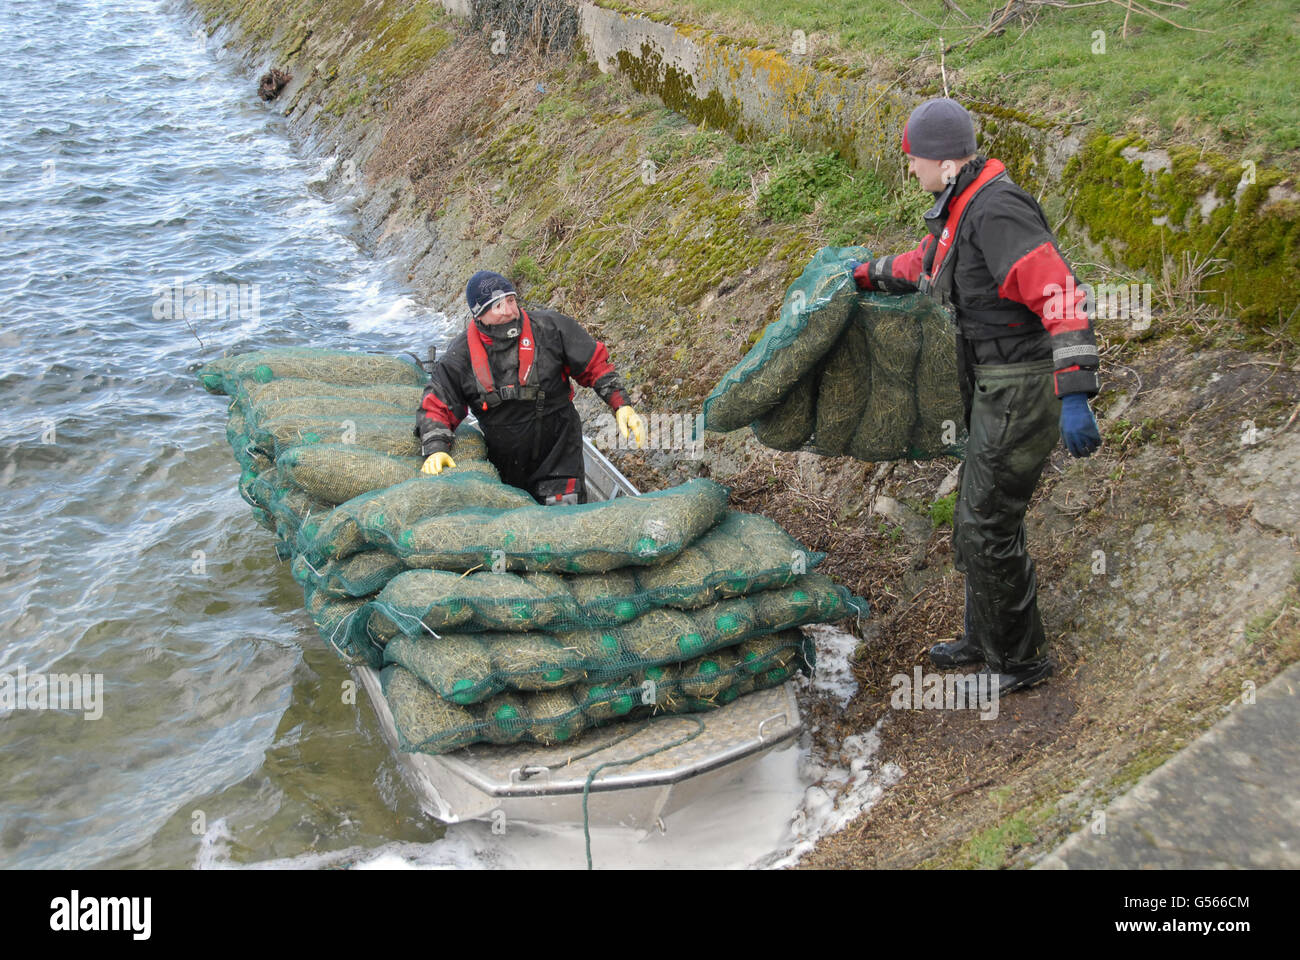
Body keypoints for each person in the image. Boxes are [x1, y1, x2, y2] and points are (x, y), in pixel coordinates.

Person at [849, 98, 1102, 696]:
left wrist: (1076, 392)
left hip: (1022, 387)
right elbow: (926, 264)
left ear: (941, 159)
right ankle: (983, 637)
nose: (909, 170)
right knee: (973, 519)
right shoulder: (960, 206)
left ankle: (1020, 660)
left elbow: (1060, 294)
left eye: (912, 159)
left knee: (989, 524)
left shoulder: (998, 211)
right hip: (991, 388)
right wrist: (868, 273)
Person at [416, 270, 645, 504]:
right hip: (506, 461)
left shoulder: (551, 328)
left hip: (559, 451)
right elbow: (437, 404)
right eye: (497, 305)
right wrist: (436, 449)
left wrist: (621, 405)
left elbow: (595, 363)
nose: (508, 310)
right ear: (479, 314)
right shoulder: (460, 355)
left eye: (511, 300)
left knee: (565, 521)